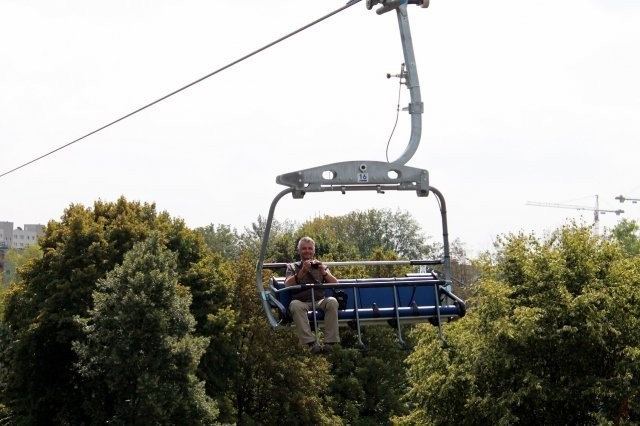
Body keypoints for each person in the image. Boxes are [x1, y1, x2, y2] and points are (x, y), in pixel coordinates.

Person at [285, 236, 340, 354]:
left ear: (314, 251)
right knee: (294, 305)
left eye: (310, 248)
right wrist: (303, 271)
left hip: (319, 300)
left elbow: (335, 283)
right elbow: (287, 284)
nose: (307, 251)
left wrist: (324, 273)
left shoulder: (321, 266)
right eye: (304, 248)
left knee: (332, 301)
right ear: (299, 251)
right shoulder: (293, 267)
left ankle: (330, 342)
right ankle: (310, 342)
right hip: (301, 301)